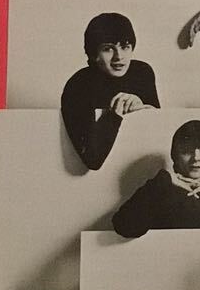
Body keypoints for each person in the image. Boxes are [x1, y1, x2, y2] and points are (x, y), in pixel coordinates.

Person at [61, 12, 160, 171]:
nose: (119, 57)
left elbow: (159, 133)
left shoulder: (142, 72)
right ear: (94, 54)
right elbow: (92, 160)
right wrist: (113, 115)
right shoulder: (78, 85)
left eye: (125, 47)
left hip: (137, 168)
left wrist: (145, 109)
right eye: (108, 49)